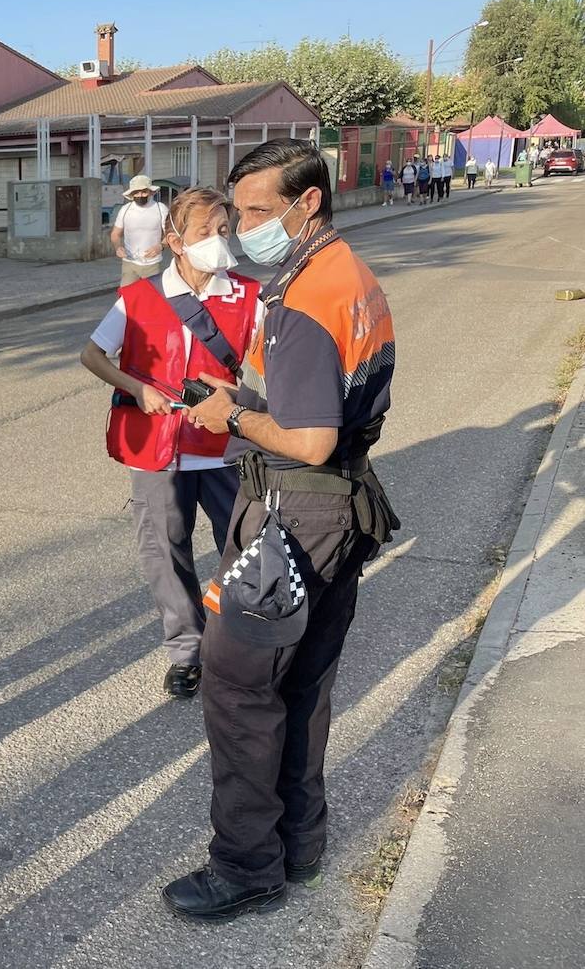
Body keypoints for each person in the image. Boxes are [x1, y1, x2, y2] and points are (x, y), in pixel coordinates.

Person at [161, 138, 398, 922]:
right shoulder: (343, 273)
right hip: (338, 506)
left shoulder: (302, 299)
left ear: (309, 202)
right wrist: (243, 392)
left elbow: (309, 437)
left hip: (299, 508)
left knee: (234, 680)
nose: (246, 228)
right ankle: (300, 843)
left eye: (262, 210)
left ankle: (246, 866)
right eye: (240, 212)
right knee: (303, 681)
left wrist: (232, 414)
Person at [80, 187, 262, 698]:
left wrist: (242, 396)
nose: (218, 241)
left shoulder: (249, 296)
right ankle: (187, 651)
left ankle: (236, 644)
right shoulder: (139, 298)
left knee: (246, 550)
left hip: (225, 450)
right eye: (206, 232)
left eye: (224, 230)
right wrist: (136, 388)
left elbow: (274, 376)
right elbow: (93, 354)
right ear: (175, 241)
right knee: (165, 552)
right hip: (157, 452)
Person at [111, 174, 171, 279]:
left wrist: (160, 246)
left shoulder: (160, 209)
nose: (140, 195)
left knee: (151, 295)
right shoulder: (125, 210)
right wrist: (118, 247)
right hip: (129, 263)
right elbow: (115, 234)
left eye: (144, 191)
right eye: (136, 192)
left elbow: (170, 235)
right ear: (132, 194)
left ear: (150, 192)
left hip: (152, 264)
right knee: (128, 294)